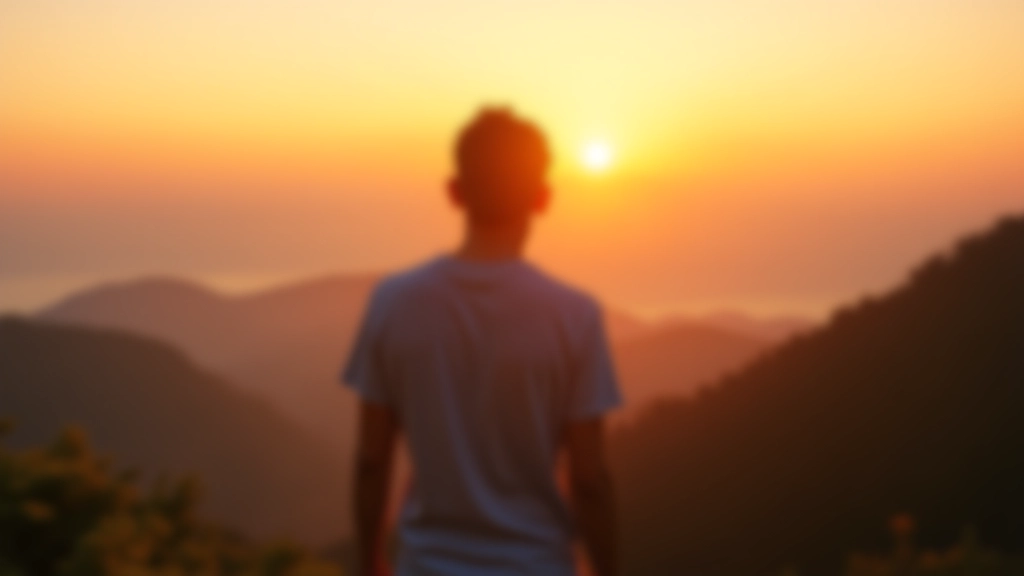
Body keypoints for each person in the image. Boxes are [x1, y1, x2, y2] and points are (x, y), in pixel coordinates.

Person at [342, 108, 622, 576]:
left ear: (455, 192)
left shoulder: (393, 302)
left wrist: (370, 562)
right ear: (542, 198)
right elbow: (589, 479)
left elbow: (372, 460)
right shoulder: (575, 316)